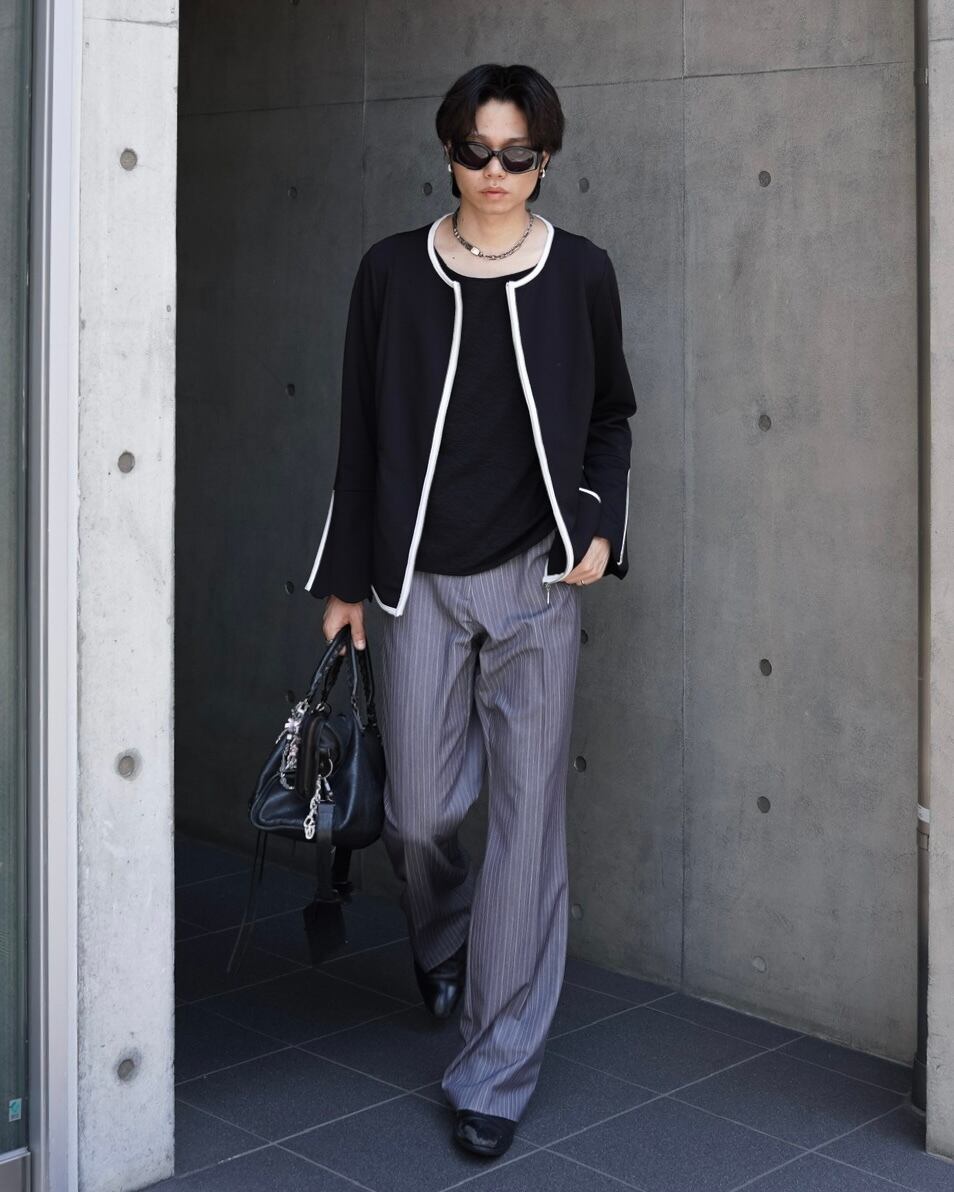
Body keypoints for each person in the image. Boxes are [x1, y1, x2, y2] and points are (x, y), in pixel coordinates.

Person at [304, 62, 637, 1158]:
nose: (496, 172)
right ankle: (442, 937)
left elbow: (611, 416)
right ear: (448, 153)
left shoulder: (579, 271)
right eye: (476, 152)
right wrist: (346, 582)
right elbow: (359, 435)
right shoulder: (390, 272)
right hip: (417, 581)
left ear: (546, 160)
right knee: (418, 816)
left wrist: (597, 526)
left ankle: (495, 1070)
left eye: (518, 155)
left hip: (539, 579)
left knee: (528, 828)